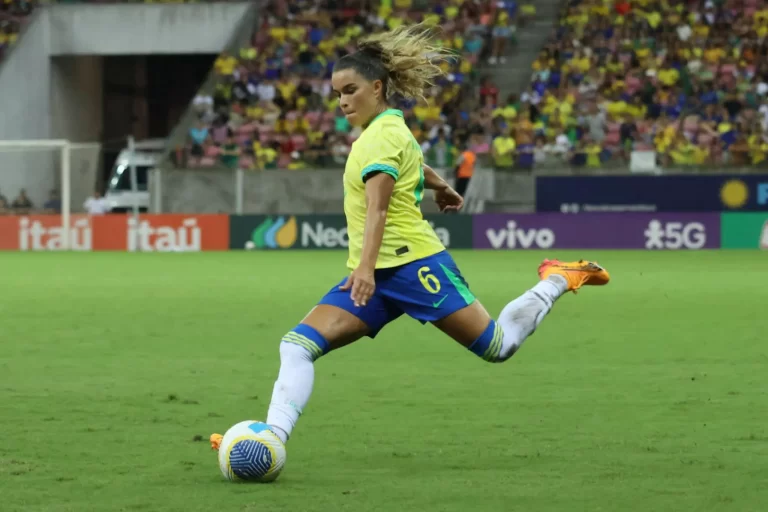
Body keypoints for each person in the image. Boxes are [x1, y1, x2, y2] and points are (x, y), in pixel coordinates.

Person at [210, 24, 610, 455]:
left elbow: (379, 207)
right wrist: (441, 187)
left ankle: (556, 277)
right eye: (337, 93)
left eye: (350, 90)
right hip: (378, 276)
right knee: (297, 345)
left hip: (413, 266)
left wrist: (363, 268)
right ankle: (270, 441)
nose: (342, 101)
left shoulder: (380, 136)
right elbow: (414, 163)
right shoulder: (389, 129)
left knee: (497, 346)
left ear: (377, 87)